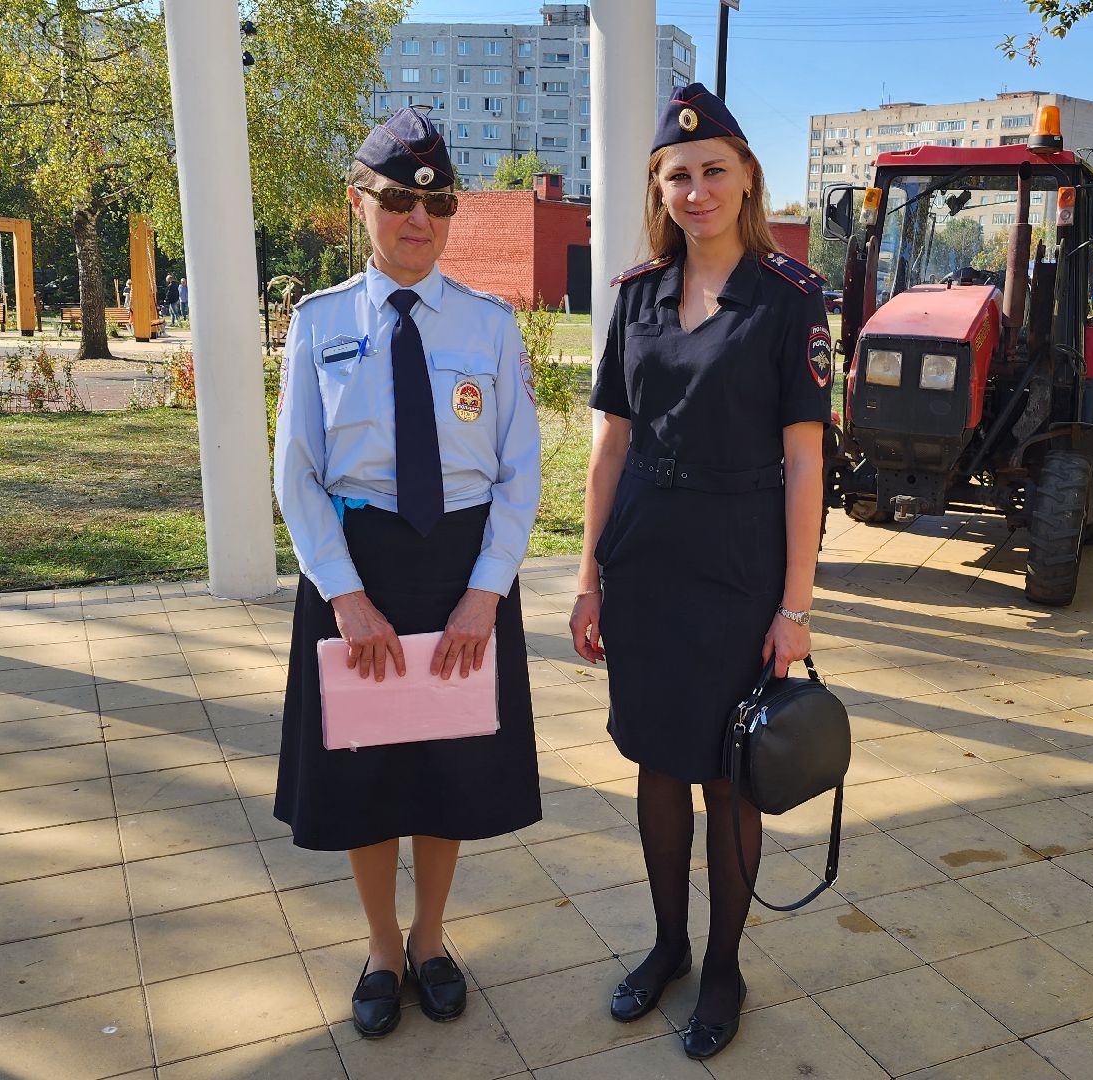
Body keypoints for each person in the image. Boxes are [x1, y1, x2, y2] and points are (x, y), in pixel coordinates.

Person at [570, 83, 830, 1061]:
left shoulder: (790, 298)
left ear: (747, 176)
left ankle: (724, 965)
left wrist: (795, 606)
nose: (696, 188)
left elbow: (806, 461)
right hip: (643, 564)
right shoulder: (636, 293)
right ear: (658, 186)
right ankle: (668, 947)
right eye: (677, 174)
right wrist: (589, 578)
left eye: (713, 169)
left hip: (735, 568)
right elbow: (609, 445)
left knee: (727, 780)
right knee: (654, 761)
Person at [272, 104, 542, 1040]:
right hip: (360, 571)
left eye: (435, 203)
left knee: (449, 766)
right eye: (395, 200)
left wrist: (487, 592)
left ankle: (432, 939)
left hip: (460, 572)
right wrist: (343, 595)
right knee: (367, 774)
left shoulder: (490, 326)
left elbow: (520, 471)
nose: (416, 220)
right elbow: (296, 474)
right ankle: (382, 945)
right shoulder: (318, 325)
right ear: (361, 205)